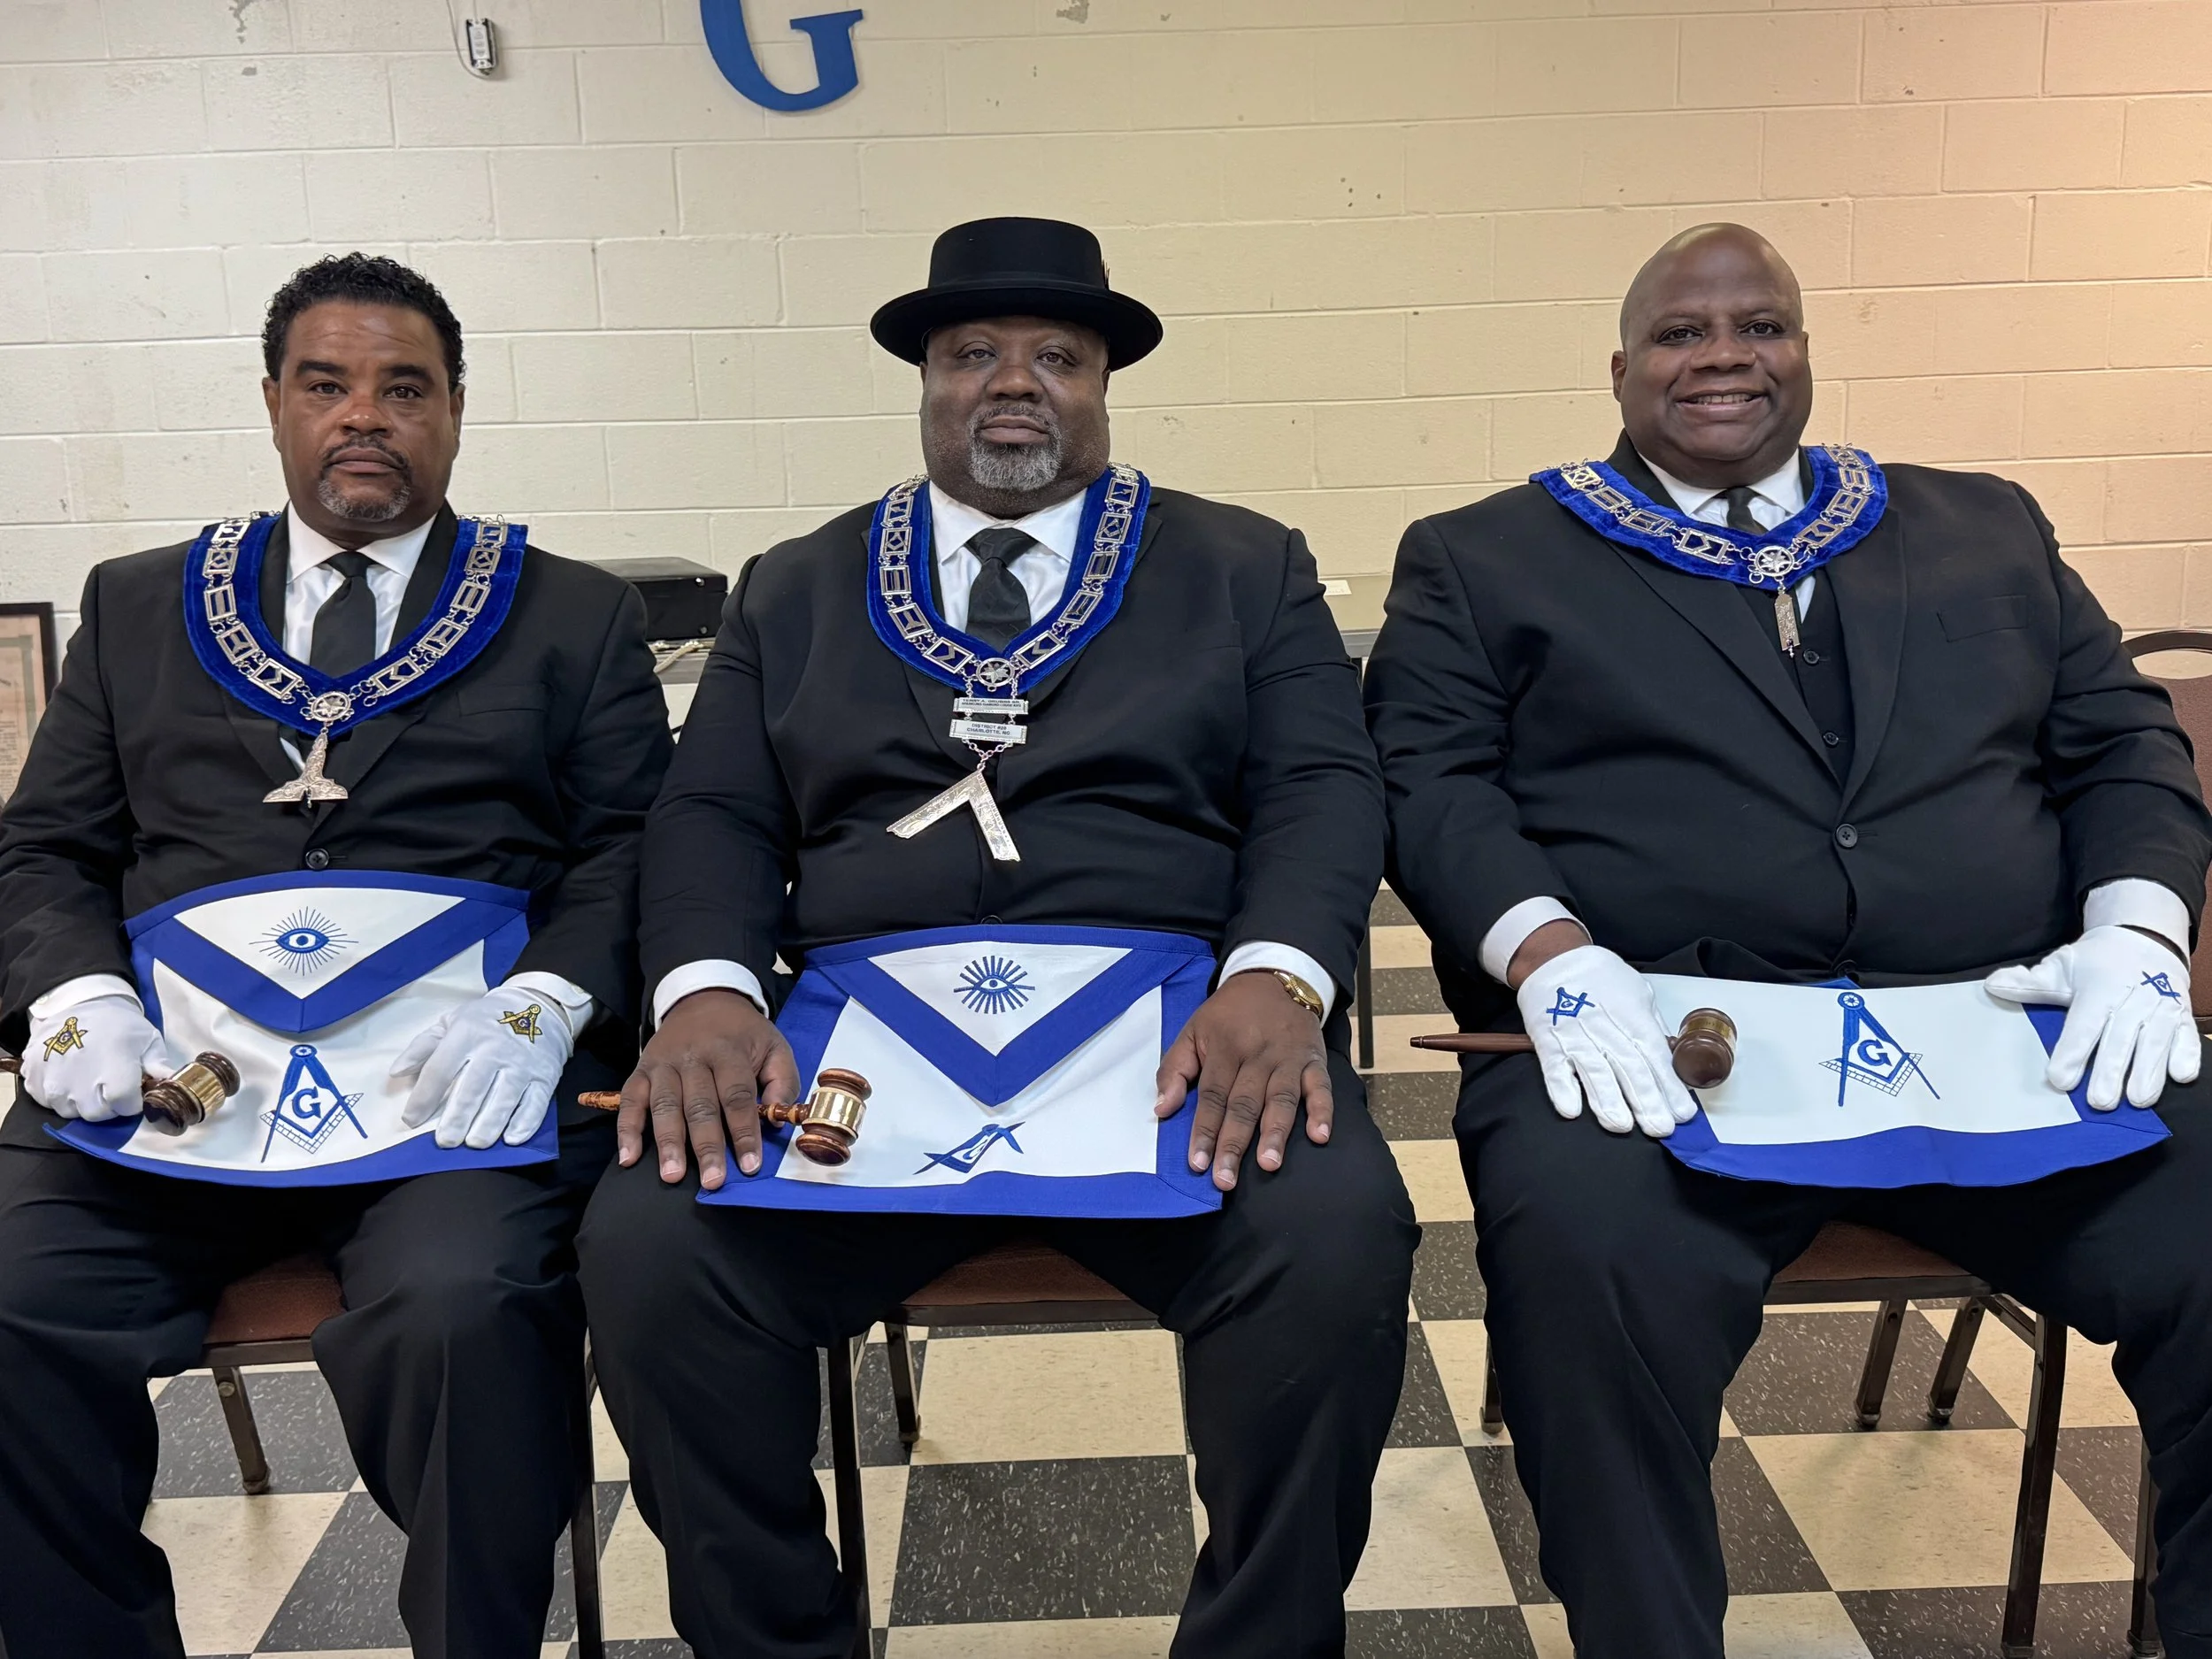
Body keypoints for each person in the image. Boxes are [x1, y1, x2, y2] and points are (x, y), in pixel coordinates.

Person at [1363, 222, 2212, 1659]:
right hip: (1656, 1047)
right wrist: (1549, 952)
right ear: (1621, 367)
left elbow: (2119, 741)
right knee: (1586, 1269)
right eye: (1685, 334)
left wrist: (2139, 925)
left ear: (1805, 351)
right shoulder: (1484, 559)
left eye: (1761, 326)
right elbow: (1428, 785)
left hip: (1991, 1032)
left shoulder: (1982, 524)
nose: (1726, 359)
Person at [579, 216, 1417, 1659]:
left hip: (1164, 1042)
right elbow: (713, 808)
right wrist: (710, 994)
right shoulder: (796, 581)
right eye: (972, 352)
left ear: (1104, 384)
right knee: (654, 1247)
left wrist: (1278, 975)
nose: (1012, 382)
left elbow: (1321, 788)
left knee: (1335, 1232)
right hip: (856, 1053)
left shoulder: (1242, 563)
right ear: (924, 380)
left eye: (1056, 355)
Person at [0, 253, 672, 1659]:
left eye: (403, 387)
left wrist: (548, 1000)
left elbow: (628, 848)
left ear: (456, 412)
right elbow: (42, 847)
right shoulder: (133, 604)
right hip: (170, 1092)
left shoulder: (574, 615)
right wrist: (69, 994)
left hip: (445, 1099)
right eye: (327, 384)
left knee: (468, 1317)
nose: (364, 416)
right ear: (272, 404)